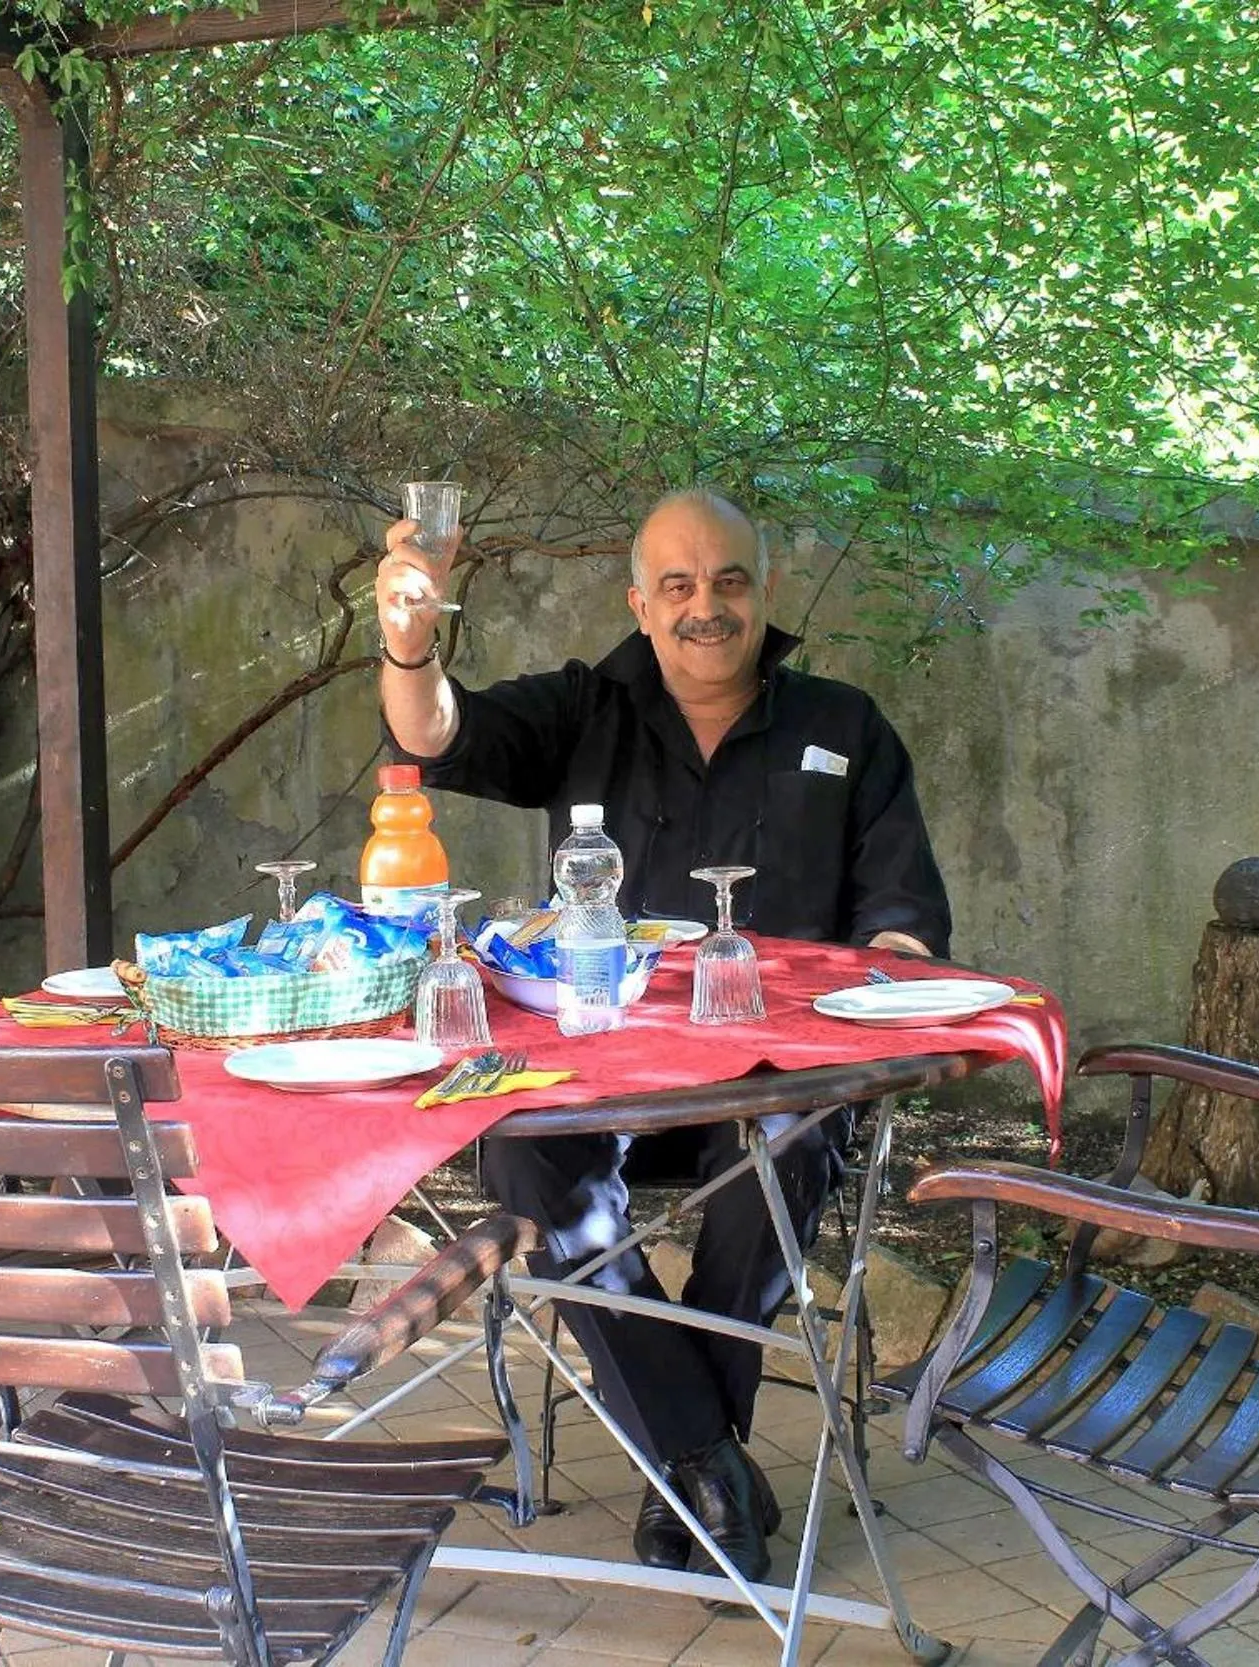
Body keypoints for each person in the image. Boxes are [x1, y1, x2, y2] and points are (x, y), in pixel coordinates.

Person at [375, 487, 951, 1586]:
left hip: (770, 1079)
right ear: (639, 602)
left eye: (728, 580)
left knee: (777, 1154)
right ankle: (703, 1457)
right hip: (602, 1071)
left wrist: (887, 979)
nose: (705, 606)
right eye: (677, 585)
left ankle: (684, 1467)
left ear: (764, 589)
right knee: (519, 1147)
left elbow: (903, 920)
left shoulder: (843, 726)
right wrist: (409, 642)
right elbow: (437, 732)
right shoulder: (584, 708)